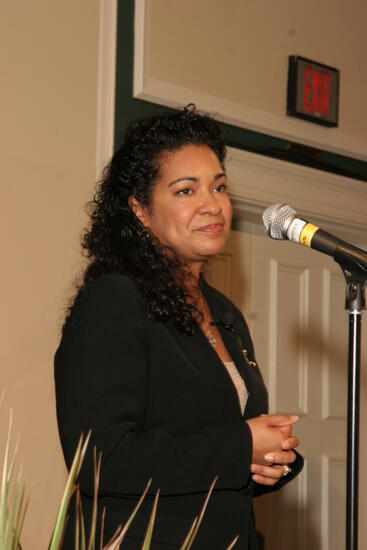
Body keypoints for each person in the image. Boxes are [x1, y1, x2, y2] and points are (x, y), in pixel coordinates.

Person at [54, 105, 303, 549]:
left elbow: (211, 450)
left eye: (219, 186)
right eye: (187, 191)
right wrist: (239, 446)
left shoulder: (224, 313)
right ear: (141, 210)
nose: (214, 204)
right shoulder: (114, 303)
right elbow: (100, 459)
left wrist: (271, 461)